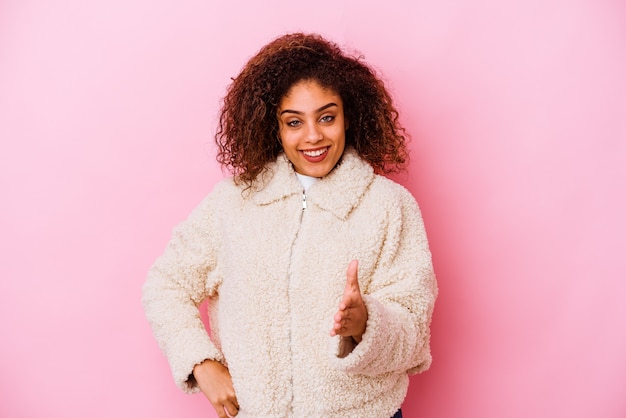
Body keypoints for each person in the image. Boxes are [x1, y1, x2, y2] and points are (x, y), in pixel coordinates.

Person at [142, 32, 437, 418]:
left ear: (350, 117)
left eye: (327, 117)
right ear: (274, 128)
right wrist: (201, 363)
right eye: (294, 122)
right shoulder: (234, 203)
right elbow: (166, 285)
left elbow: (413, 333)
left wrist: (367, 324)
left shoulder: (390, 207)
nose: (313, 136)